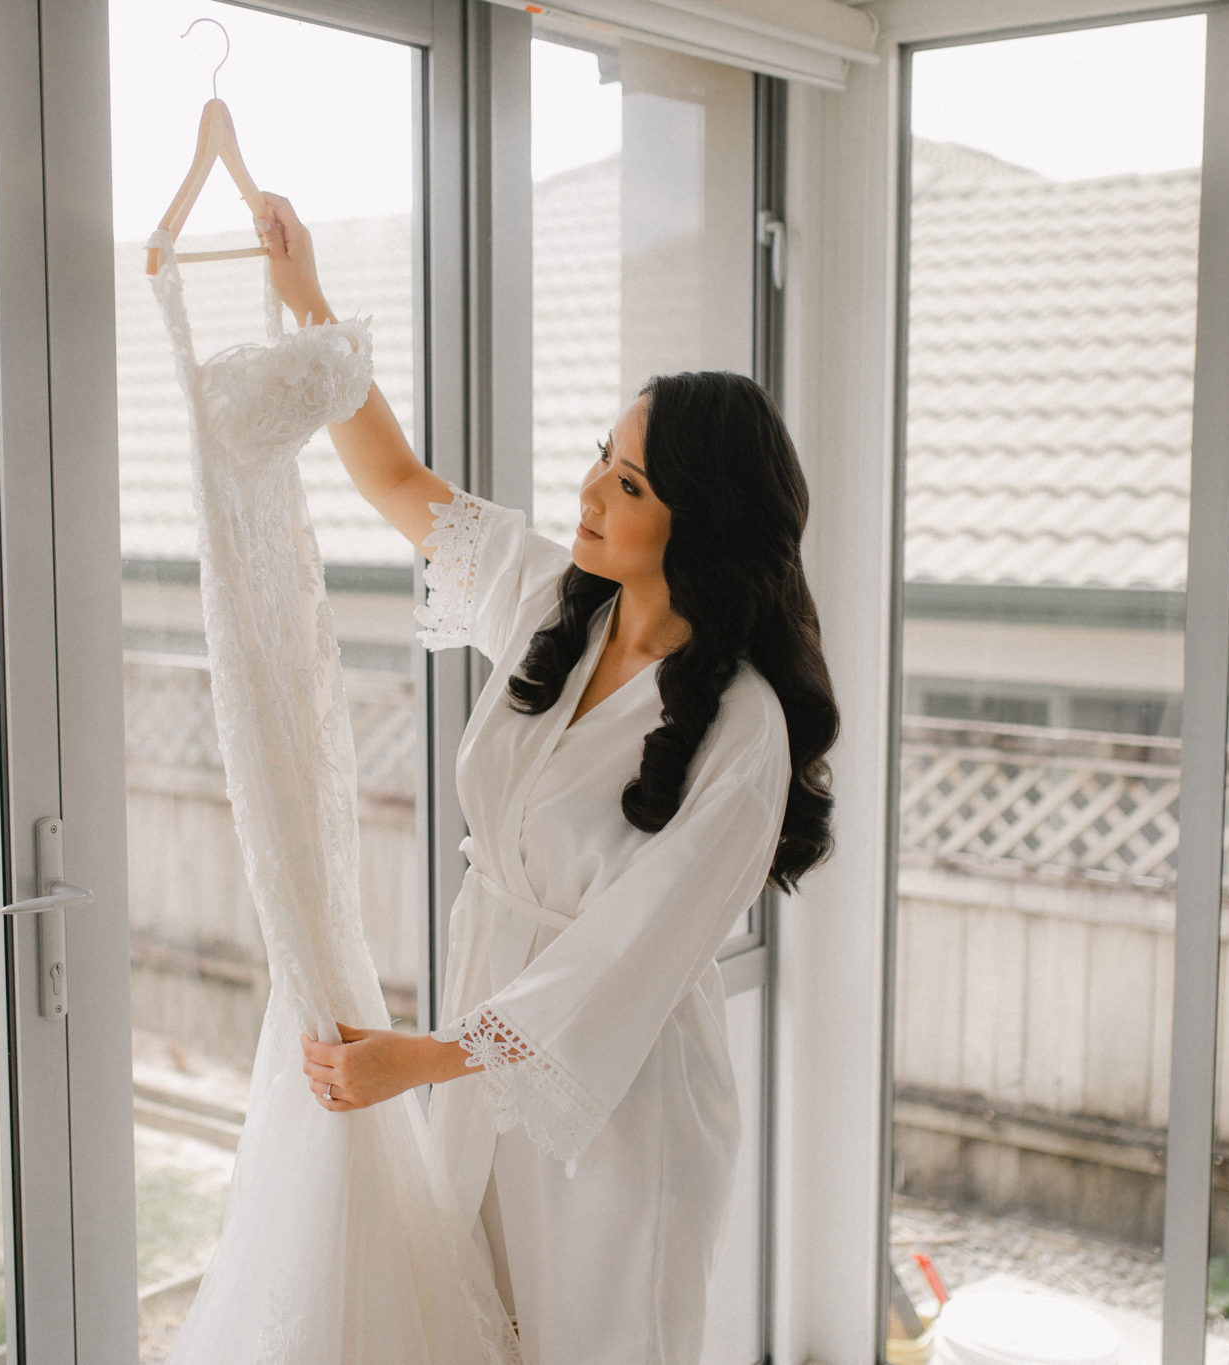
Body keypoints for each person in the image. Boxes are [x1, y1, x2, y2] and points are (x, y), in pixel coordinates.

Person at [257, 193, 839, 1365]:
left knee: (597, 1336)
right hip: (478, 1043)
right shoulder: (551, 604)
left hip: (618, 1098)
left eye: (627, 486)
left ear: (701, 520)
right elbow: (399, 483)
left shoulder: (745, 729)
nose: (587, 496)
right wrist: (309, 303)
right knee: (480, 1326)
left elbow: (624, 952)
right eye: (599, 461)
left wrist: (419, 1057)